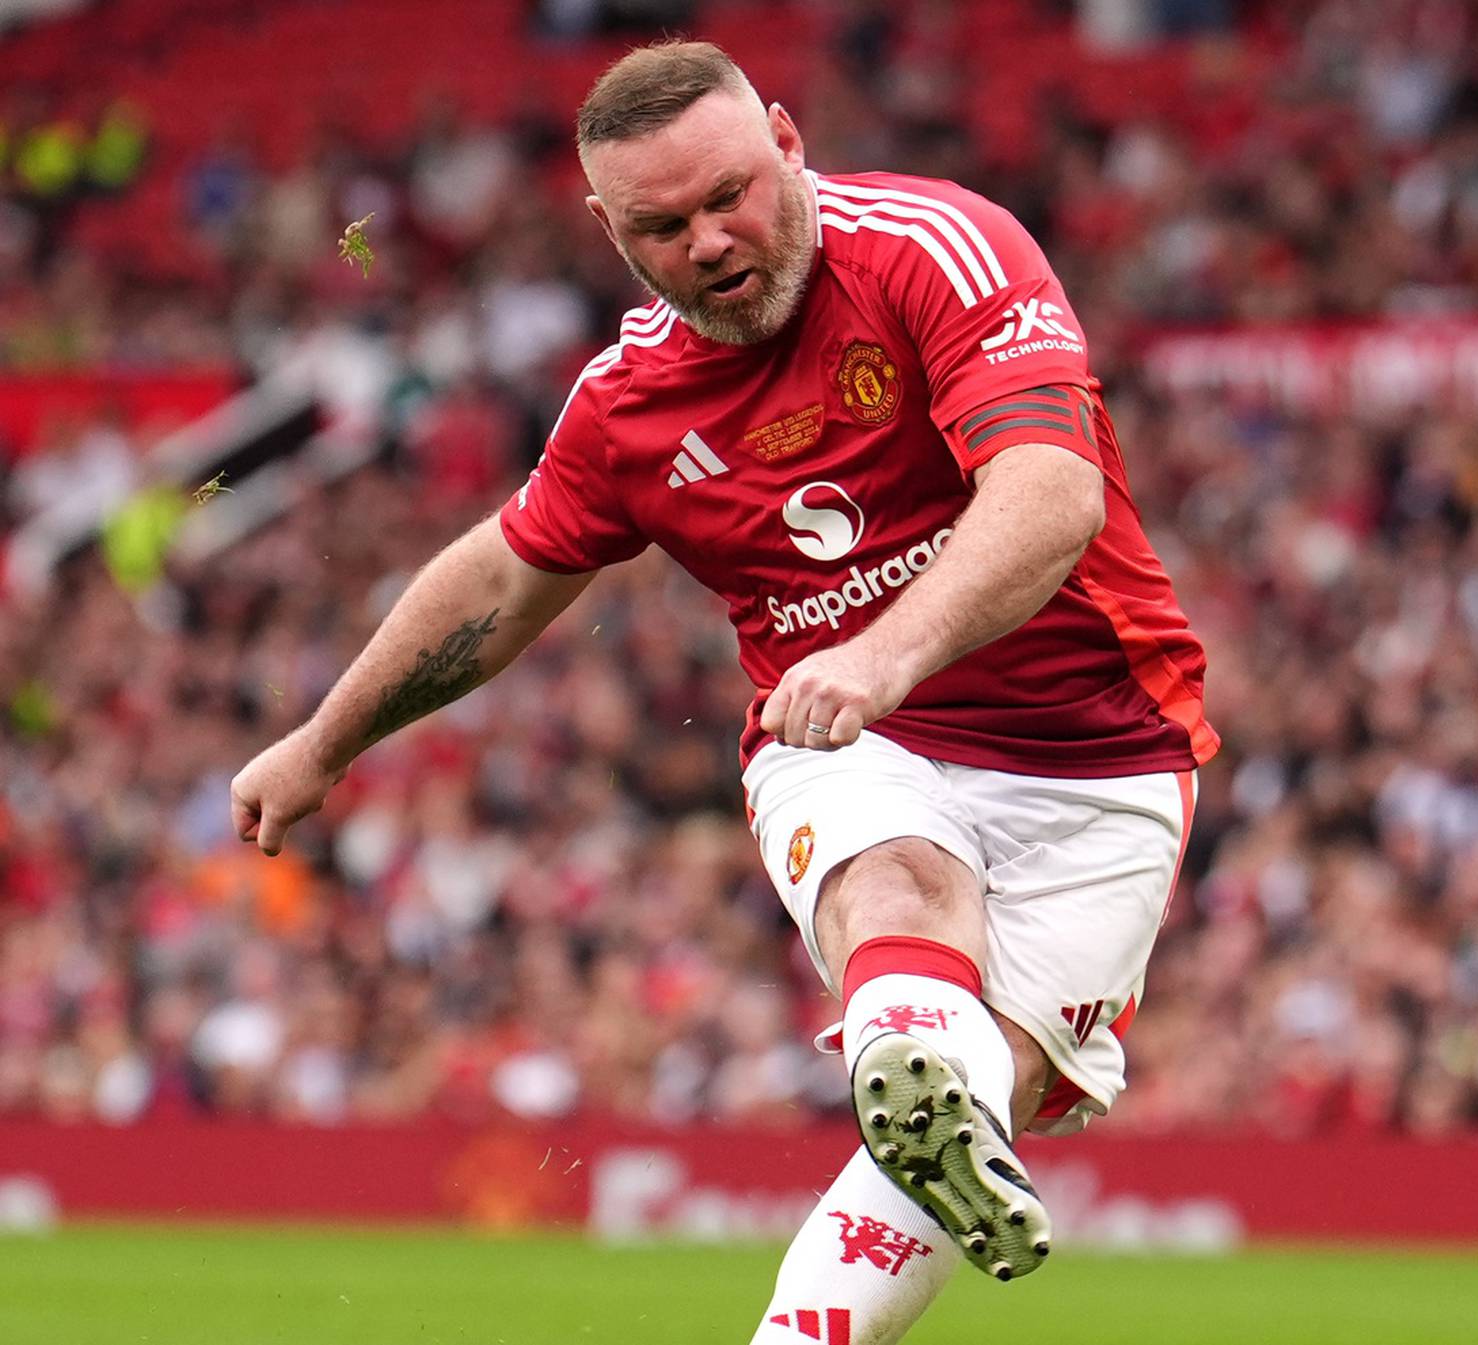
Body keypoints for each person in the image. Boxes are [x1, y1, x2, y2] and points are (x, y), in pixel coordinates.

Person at [230, 41, 1215, 1343]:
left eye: (731, 196)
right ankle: (917, 1061)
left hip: (1098, 750)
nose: (707, 240)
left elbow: (1050, 493)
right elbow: (499, 582)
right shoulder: (627, 404)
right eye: (662, 224)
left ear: (791, 145)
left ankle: (915, 1113)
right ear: (608, 231)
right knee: (902, 889)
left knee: (991, 1088)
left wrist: (881, 650)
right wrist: (323, 740)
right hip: (844, 738)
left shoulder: (938, 247)